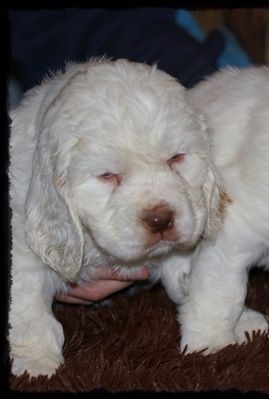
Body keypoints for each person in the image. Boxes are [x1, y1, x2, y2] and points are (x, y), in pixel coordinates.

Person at [9, 9, 252, 304]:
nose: (158, 214)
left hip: (173, 59)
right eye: (109, 176)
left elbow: (93, 24)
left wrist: (202, 99)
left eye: (174, 160)